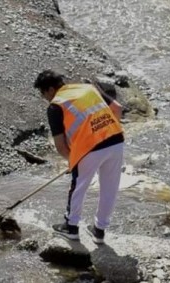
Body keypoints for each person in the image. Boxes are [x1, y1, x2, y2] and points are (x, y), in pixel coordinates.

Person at [34, 70, 124, 244]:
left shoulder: (56, 106)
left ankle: (71, 227)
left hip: (88, 148)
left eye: (43, 93)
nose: (45, 98)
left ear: (50, 90)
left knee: (79, 187)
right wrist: (107, 132)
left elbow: (60, 145)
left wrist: (72, 161)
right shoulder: (88, 88)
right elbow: (117, 109)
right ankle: (99, 231)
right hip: (115, 140)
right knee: (110, 188)